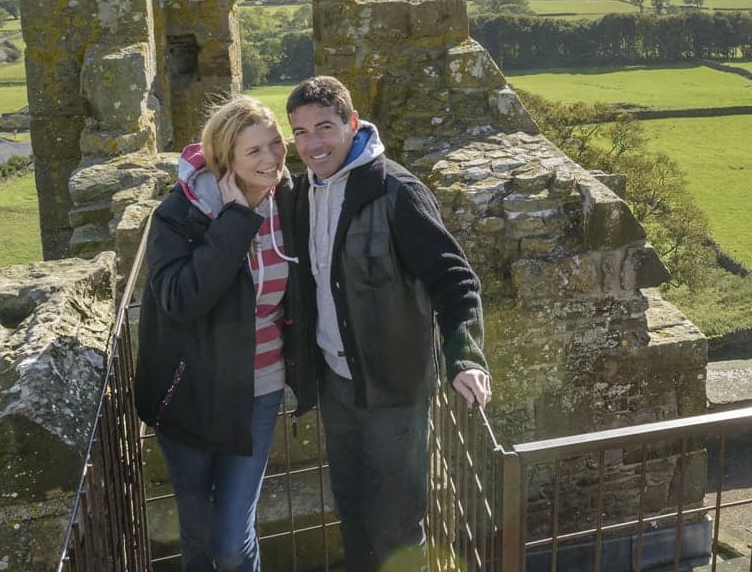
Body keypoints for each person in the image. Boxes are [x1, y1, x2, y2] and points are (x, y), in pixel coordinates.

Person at [285, 74, 492, 572]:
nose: (313, 144)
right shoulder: (298, 195)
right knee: (351, 509)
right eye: (300, 132)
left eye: (325, 127)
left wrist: (464, 357)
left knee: (396, 523)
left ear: (352, 124)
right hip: (336, 385)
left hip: (395, 391)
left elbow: (456, 281)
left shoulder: (397, 191)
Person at [135, 95, 313, 572]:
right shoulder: (181, 212)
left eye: (275, 144)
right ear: (226, 158)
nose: (272, 158)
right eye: (254, 151)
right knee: (197, 538)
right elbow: (181, 299)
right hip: (189, 392)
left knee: (231, 539)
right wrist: (235, 221)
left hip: (259, 390)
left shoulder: (291, 198)